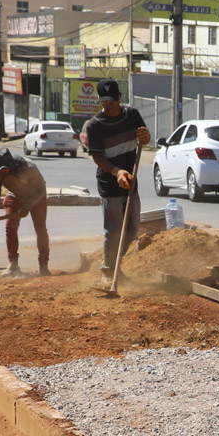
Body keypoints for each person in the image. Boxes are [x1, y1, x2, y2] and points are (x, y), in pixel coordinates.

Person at [78, 80, 148, 287]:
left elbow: (143, 138)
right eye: (104, 101)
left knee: (133, 227)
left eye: (112, 100)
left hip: (131, 181)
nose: (109, 105)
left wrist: (146, 136)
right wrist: (117, 172)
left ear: (119, 96)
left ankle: (115, 264)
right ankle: (108, 270)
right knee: (114, 230)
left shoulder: (132, 115)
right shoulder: (95, 125)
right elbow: (98, 157)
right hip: (110, 184)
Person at [0, 148, 50, 277]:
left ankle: (43, 265)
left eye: (5, 168)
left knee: (40, 229)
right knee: (10, 227)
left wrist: (28, 205)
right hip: (15, 197)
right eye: (0, 168)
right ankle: (13, 264)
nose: (3, 171)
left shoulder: (29, 168)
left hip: (36, 197)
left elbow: (41, 190)